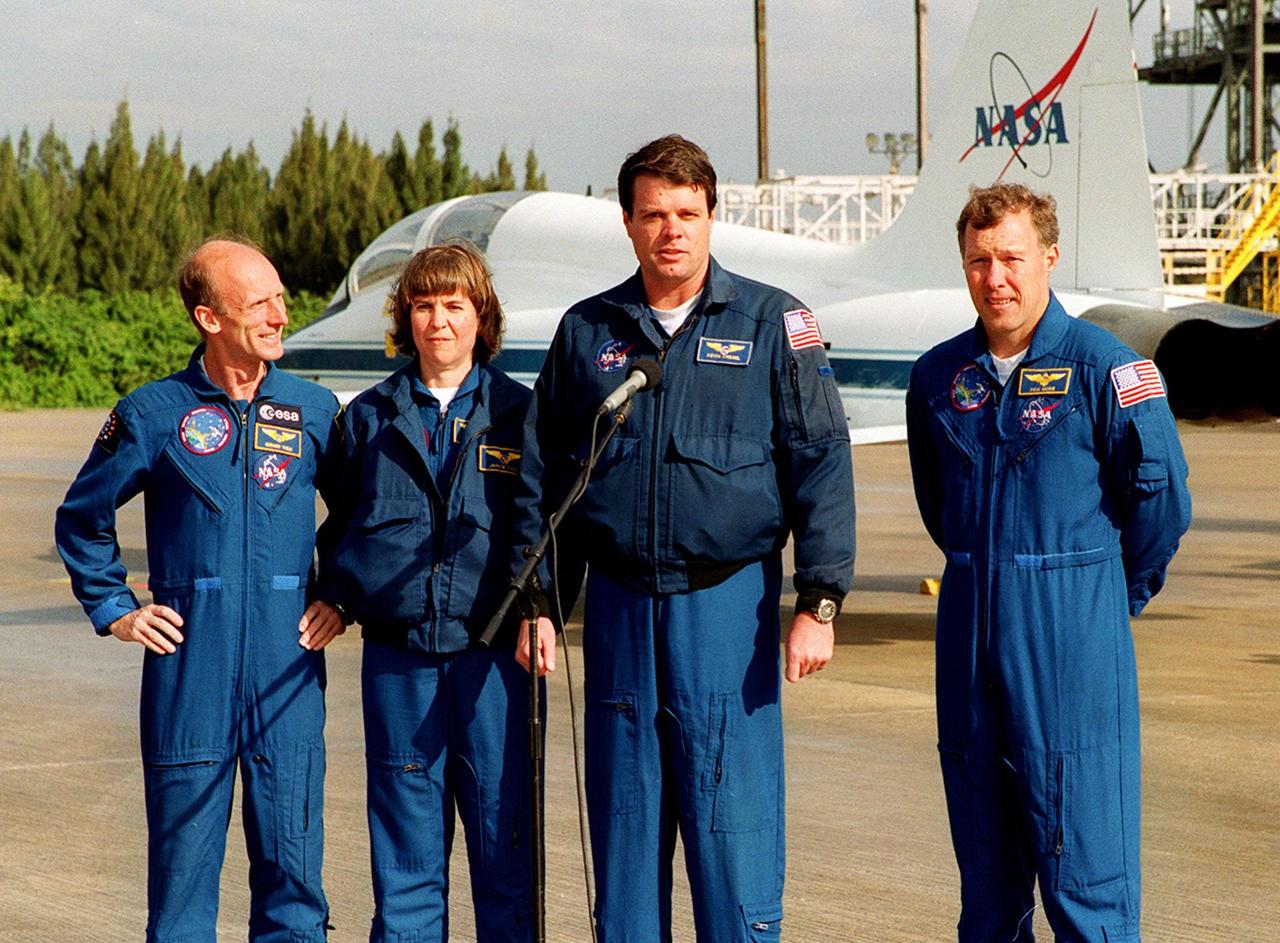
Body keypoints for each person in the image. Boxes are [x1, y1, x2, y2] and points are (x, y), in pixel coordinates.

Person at [512, 135, 856, 940]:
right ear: (627, 223)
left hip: (726, 611)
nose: (671, 230)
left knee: (730, 838)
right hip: (622, 609)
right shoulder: (586, 332)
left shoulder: (776, 323)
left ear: (712, 217)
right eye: (654, 214)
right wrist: (539, 602)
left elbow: (821, 462)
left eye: (687, 213)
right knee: (626, 842)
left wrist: (822, 597)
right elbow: (548, 475)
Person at [905, 183, 1192, 942]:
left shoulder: (1109, 370)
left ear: (1050, 258)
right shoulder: (938, 378)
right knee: (989, 894)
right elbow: (940, 506)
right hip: (968, 652)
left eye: (1010, 257)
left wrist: (1099, 595)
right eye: (977, 259)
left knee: (1086, 885)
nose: (994, 277)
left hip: (1071, 653)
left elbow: (1162, 504)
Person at [54, 236, 345, 942]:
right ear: (209, 318)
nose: (279, 314)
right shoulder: (155, 411)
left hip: (288, 665)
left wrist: (340, 593)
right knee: (183, 878)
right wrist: (116, 607)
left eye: (281, 297)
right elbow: (83, 516)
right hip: (192, 667)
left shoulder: (315, 410)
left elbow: (365, 517)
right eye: (258, 303)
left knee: (294, 874)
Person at [317, 242, 535, 941]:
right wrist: (339, 594)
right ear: (405, 316)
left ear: (481, 316)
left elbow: (547, 530)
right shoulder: (370, 418)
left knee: (505, 850)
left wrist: (543, 611)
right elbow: (346, 521)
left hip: (494, 661)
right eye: (422, 306)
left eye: (453, 305)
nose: (438, 321)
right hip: (399, 662)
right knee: (405, 856)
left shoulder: (521, 415)